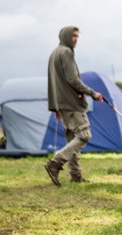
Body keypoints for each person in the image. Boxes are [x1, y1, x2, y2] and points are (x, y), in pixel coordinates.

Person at [44, 26, 103, 187]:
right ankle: (55, 163)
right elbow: (73, 80)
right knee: (84, 135)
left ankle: (76, 175)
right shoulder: (66, 52)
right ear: (66, 36)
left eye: (77, 36)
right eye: (73, 36)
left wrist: (55, 107)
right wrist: (93, 93)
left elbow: (53, 82)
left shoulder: (54, 53)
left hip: (62, 104)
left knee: (72, 138)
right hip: (72, 104)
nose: (76, 39)